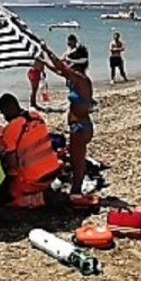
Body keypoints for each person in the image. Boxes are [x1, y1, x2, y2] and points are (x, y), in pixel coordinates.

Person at [43, 43, 94, 200]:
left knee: (77, 162)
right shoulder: (75, 77)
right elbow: (60, 70)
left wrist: (46, 50)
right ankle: (76, 190)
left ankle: (76, 192)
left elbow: (62, 68)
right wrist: (42, 62)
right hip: (77, 126)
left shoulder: (81, 79)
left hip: (81, 126)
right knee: (75, 159)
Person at [0, 92, 62, 208]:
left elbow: (12, 165)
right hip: (54, 171)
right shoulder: (36, 117)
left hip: (35, 179)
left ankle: (35, 198)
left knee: (9, 192)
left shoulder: (11, 129)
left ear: (9, 109)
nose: (4, 117)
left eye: (3, 113)